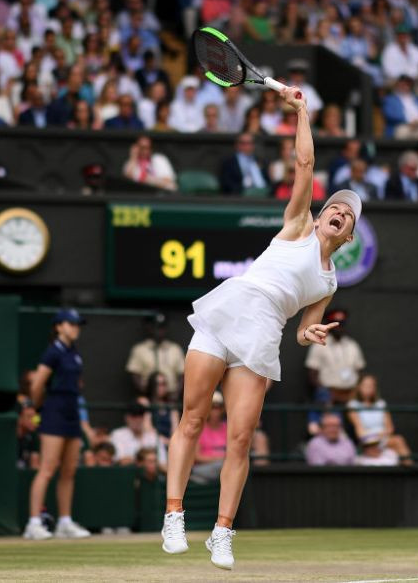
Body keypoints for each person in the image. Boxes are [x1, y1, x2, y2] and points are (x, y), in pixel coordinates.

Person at [162, 86, 358, 570]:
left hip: (264, 334)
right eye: (335, 206)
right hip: (228, 311)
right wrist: (304, 113)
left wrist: (309, 334)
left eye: (347, 214)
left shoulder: (328, 280)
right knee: (191, 417)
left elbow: (302, 328)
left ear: (349, 236)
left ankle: (222, 532)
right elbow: (305, 166)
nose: (338, 211)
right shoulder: (297, 223)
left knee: (241, 438)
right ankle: (173, 515)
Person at [24, 309, 91, 540]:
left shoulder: (74, 352)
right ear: (58, 326)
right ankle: (33, 523)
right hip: (54, 412)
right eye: (71, 324)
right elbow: (37, 383)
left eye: (77, 324)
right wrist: (39, 406)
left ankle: (64, 521)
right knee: (47, 468)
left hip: (72, 412)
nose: (75, 328)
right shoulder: (52, 352)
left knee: (69, 470)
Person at [346, 374, 412, 464]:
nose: (369, 388)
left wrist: (379, 437)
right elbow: (359, 431)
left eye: (371, 386)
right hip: (366, 441)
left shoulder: (381, 404)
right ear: (358, 387)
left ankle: (410, 471)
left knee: (398, 441)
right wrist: (374, 439)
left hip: (383, 439)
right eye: (365, 385)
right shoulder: (352, 405)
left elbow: (390, 428)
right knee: (398, 441)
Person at [305, 308, 366, 404]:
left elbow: (361, 371)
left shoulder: (352, 345)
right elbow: (312, 374)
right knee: (331, 415)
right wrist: (325, 392)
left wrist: (356, 391)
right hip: (329, 395)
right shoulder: (319, 344)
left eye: (341, 324)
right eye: (335, 324)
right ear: (329, 324)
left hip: (351, 394)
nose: (339, 327)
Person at [125, 313, 185, 399]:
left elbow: (182, 376)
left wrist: (175, 396)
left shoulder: (175, 349)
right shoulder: (139, 350)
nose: (159, 331)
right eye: (156, 327)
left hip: (171, 399)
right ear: (149, 328)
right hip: (148, 398)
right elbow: (135, 375)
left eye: (162, 327)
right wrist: (146, 394)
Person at [110, 400, 162, 465]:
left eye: (140, 415)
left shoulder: (153, 437)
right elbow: (120, 461)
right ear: (126, 417)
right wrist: (148, 461)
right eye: (134, 415)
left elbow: (163, 462)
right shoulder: (117, 435)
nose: (137, 419)